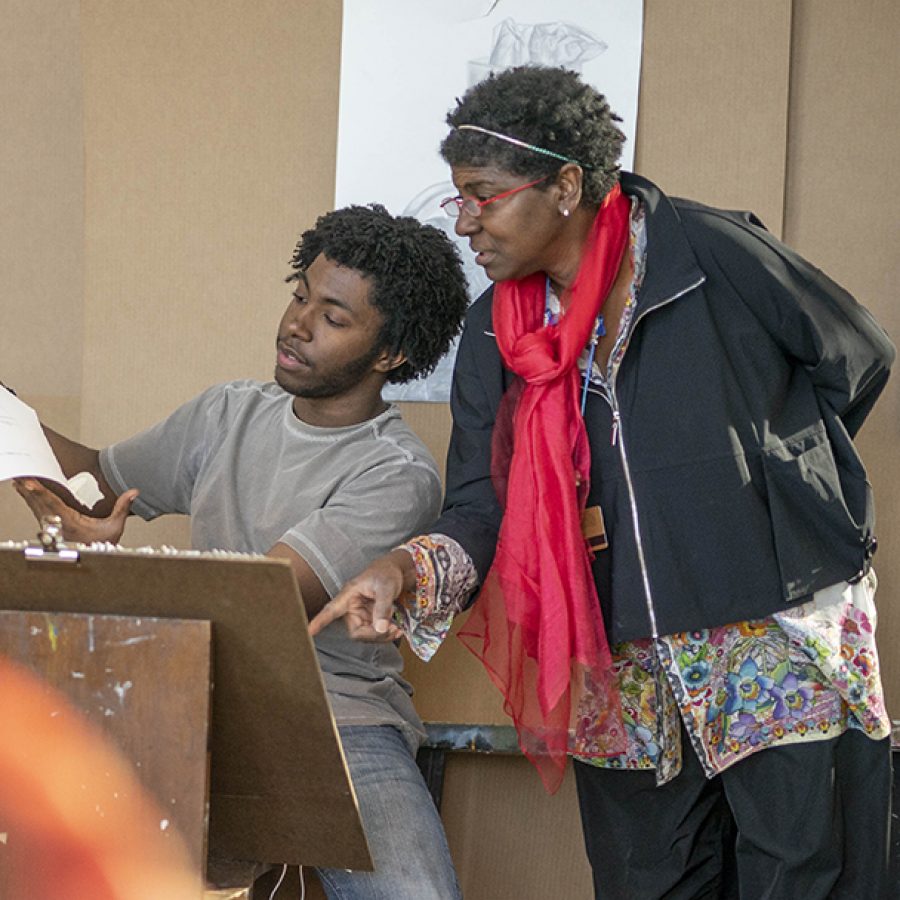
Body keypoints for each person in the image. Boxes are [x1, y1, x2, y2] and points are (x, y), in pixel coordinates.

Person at [310, 67, 896, 899]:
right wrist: (405, 570)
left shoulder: (711, 253)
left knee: (807, 873)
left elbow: (854, 358)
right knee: (646, 882)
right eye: (459, 200)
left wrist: (774, 486)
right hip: (612, 657)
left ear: (566, 184)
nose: (467, 222)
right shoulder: (494, 333)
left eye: (484, 196)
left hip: (776, 632)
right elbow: (485, 502)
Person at [12, 204, 469, 900]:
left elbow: (261, 601)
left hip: (338, 721)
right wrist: (11, 424)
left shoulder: (397, 471)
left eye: (334, 318)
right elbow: (96, 482)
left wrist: (107, 568)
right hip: (185, 697)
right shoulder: (227, 412)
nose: (298, 323)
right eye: (299, 296)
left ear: (390, 354)